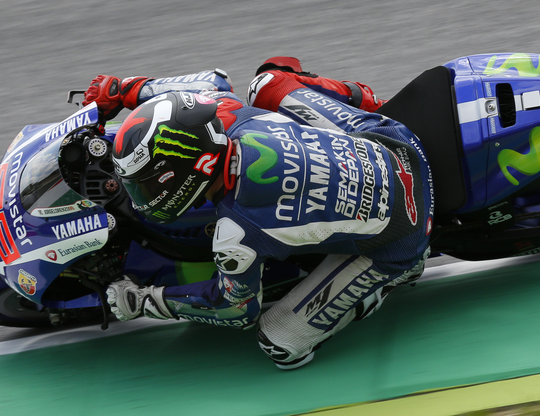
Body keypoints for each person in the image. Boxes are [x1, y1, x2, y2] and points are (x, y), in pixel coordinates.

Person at [85, 57, 435, 369]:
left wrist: (145, 300)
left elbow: (236, 311)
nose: (141, 196)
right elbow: (212, 81)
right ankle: (376, 102)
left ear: (183, 173)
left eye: (145, 186)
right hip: (396, 141)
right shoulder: (226, 114)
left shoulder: (236, 234)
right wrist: (125, 90)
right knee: (268, 81)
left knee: (280, 343)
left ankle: (387, 282)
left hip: (405, 232)